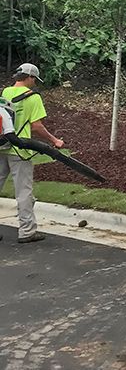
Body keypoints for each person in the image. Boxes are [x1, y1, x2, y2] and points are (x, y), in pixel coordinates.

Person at [0, 62, 64, 244]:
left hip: (2, 146)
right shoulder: (33, 97)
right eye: (34, 79)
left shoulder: (6, 92)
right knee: (24, 192)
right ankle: (27, 231)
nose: (34, 82)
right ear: (30, 77)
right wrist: (54, 141)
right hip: (21, 150)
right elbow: (36, 127)